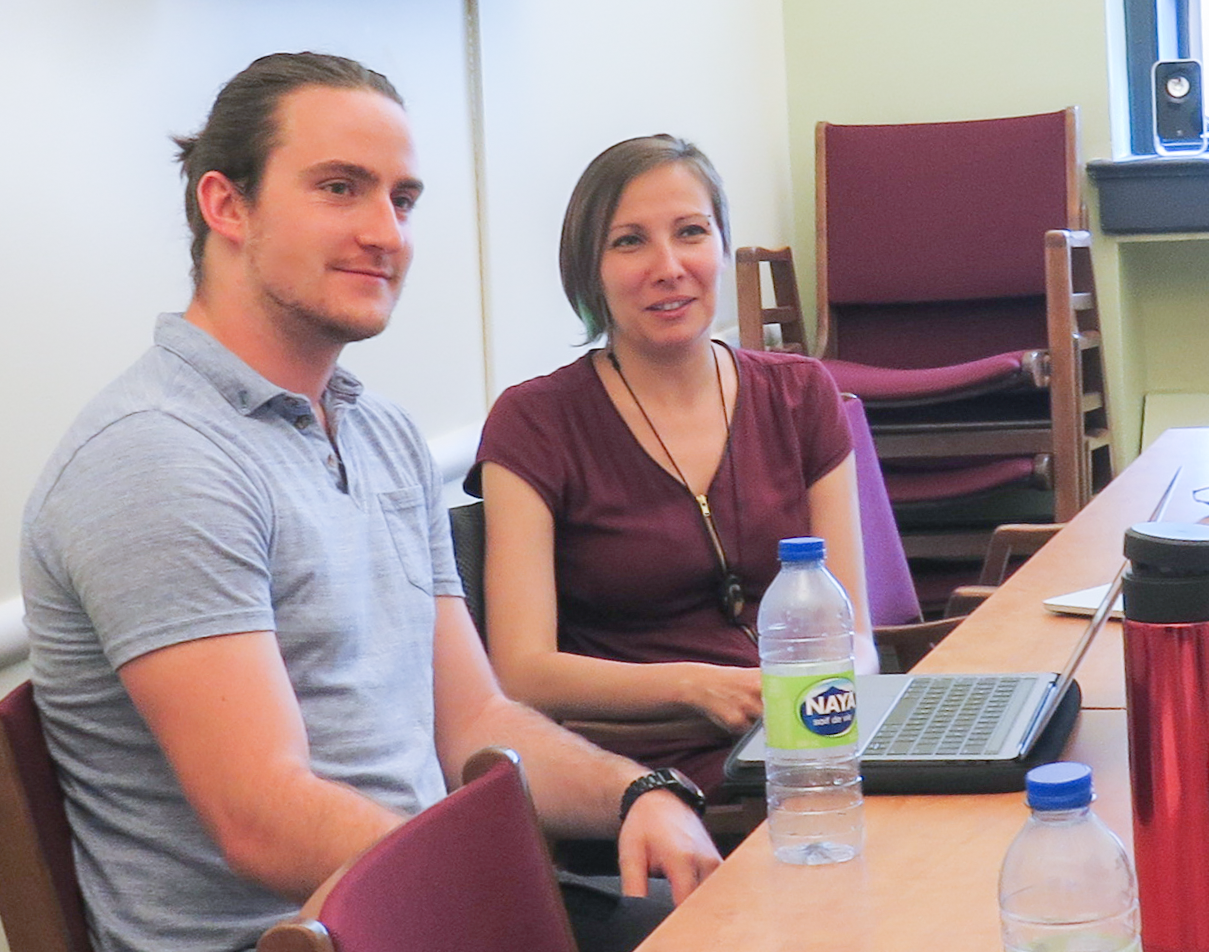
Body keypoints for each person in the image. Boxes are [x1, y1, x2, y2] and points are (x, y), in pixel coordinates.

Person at [18, 53, 723, 952]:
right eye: (341, 188)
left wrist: (639, 790)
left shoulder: (379, 431)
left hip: (423, 904)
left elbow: (475, 719)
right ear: (225, 205)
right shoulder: (158, 456)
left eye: (402, 199)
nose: (385, 231)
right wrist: (496, 886)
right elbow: (264, 816)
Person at [470, 135, 872, 796]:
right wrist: (695, 686)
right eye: (629, 242)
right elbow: (520, 671)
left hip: (808, 737)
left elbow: (853, 630)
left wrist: (837, 679)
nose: (668, 266)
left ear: (720, 245)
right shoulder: (533, 421)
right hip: (647, 777)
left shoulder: (802, 393)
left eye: (690, 232)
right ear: (588, 268)